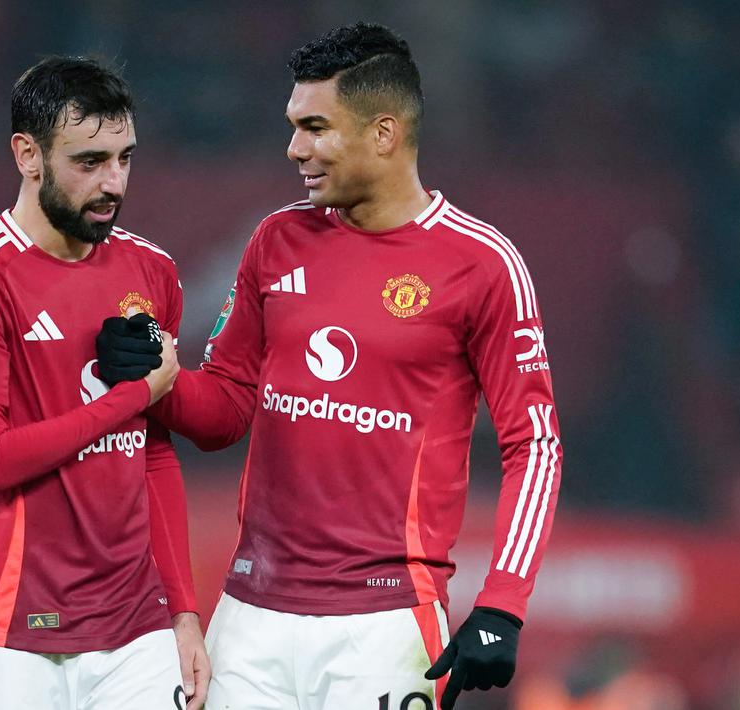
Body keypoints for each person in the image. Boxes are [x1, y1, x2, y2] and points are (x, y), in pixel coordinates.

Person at [98, 23, 563, 710]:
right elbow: (224, 410)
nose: (294, 149)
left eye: (315, 127)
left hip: (383, 622)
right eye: (292, 126)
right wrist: (155, 380)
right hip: (250, 615)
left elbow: (536, 446)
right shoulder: (276, 240)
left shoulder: (480, 263)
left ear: (383, 133)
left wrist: (502, 604)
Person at [0, 56, 209, 710]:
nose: (113, 183)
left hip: (136, 631)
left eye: (124, 159)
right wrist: (133, 396)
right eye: (89, 162)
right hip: (9, 631)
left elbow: (153, 455)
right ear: (27, 154)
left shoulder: (151, 270)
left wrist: (182, 612)